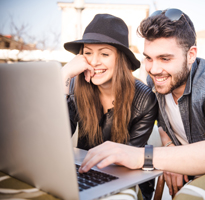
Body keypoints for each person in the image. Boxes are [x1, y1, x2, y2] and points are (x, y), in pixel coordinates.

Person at [78, 9, 205, 198]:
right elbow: (163, 123)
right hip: (201, 185)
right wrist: (173, 154)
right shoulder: (159, 80)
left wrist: (143, 157)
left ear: (191, 54)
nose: (154, 69)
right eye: (148, 58)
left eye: (165, 58)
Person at [61, 14, 158, 200]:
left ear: (120, 59)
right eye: (88, 53)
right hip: (84, 174)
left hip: (128, 181)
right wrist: (63, 77)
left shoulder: (145, 99)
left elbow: (129, 159)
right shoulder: (74, 87)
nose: (94, 62)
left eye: (104, 54)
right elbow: (55, 140)